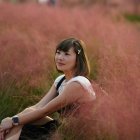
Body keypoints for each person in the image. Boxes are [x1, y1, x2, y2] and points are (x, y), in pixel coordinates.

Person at [0, 37, 96, 140]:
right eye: (58, 53)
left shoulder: (78, 83)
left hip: (77, 134)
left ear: (78, 59)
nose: (60, 57)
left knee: (19, 122)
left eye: (66, 54)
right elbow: (38, 107)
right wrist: (11, 121)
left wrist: (12, 121)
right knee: (25, 115)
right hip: (62, 127)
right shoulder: (60, 81)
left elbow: (45, 111)